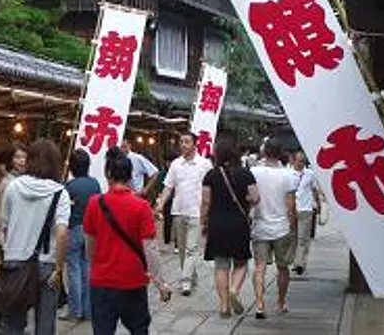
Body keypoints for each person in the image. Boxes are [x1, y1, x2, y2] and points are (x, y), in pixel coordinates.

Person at [84, 147, 171, 335]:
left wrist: (96, 265)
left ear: (107, 173)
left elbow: (89, 245)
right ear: (131, 175)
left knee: (102, 330)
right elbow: (150, 249)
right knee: (139, 329)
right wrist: (160, 283)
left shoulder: (94, 203)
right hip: (133, 280)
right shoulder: (141, 207)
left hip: (102, 281)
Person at [0, 139, 71, 335]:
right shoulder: (60, 193)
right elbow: (62, 233)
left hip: (15, 262)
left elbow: (4, 226)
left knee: (12, 323)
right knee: (45, 325)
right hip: (47, 265)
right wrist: (59, 269)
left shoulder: (13, 187)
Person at [201, 137, 260, 318]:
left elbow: (205, 202)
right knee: (241, 262)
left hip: (217, 224)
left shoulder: (210, 175)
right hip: (238, 224)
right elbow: (256, 198)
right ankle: (234, 289)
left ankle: (224, 305)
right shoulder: (245, 174)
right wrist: (246, 199)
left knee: (221, 265)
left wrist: (203, 222)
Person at [156, 132, 213, 296]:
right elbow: (168, 186)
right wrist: (160, 204)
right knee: (182, 249)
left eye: (187, 142)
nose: (183, 145)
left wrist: (208, 212)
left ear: (195, 145)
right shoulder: (176, 164)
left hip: (197, 212)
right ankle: (192, 276)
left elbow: (210, 189)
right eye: (181, 142)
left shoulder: (204, 164)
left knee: (192, 248)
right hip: (178, 210)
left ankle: (185, 281)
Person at [250, 138, 297, 319]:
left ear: (264, 152)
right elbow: (291, 204)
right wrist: (292, 225)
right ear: (280, 154)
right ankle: (281, 301)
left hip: (260, 225)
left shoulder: (254, 172)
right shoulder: (288, 175)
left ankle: (260, 304)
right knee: (283, 267)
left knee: (260, 266)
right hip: (281, 227)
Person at [0, 144, 27, 329]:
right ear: (10, 161)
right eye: (18, 157)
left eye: (24, 157)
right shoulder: (8, 184)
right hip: (10, 240)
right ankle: (2, 315)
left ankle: (3, 315)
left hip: (17, 239)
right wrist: (4, 240)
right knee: (11, 281)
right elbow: (4, 217)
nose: (22, 161)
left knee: (12, 280)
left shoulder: (19, 181)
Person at [62, 149, 101, 322]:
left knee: (73, 269)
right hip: (92, 229)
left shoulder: (69, 186)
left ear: (71, 167)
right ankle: (88, 310)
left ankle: (74, 311)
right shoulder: (95, 184)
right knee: (87, 268)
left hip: (74, 227)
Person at [291, 151, 320, 275]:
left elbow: (314, 190)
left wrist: (317, 203)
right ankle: (294, 260)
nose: (301, 163)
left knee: (303, 238)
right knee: (293, 237)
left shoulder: (310, 174)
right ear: (293, 160)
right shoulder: (288, 173)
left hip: (306, 210)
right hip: (292, 209)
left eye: (303, 161)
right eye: (299, 161)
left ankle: (300, 263)